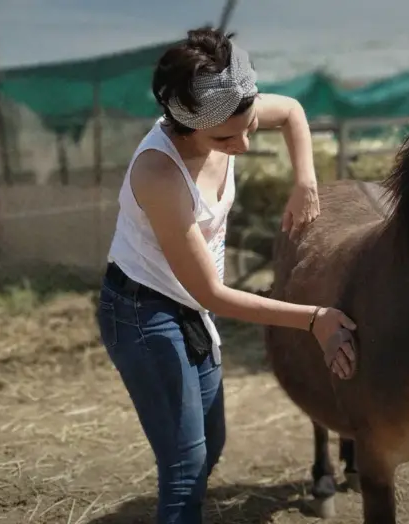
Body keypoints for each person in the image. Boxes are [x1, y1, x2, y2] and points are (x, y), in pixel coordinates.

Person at [94, 26, 358, 524]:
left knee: (210, 445)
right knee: (186, 466)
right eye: (223, 138)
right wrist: (315, 317)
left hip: (186, 305)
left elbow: (295, 114)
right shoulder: (160, 175)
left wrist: (305, 181)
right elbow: (213, 294)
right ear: (186, 125)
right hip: (143, 311)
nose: (240, 144)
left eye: (249, 126)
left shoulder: (229, 110)